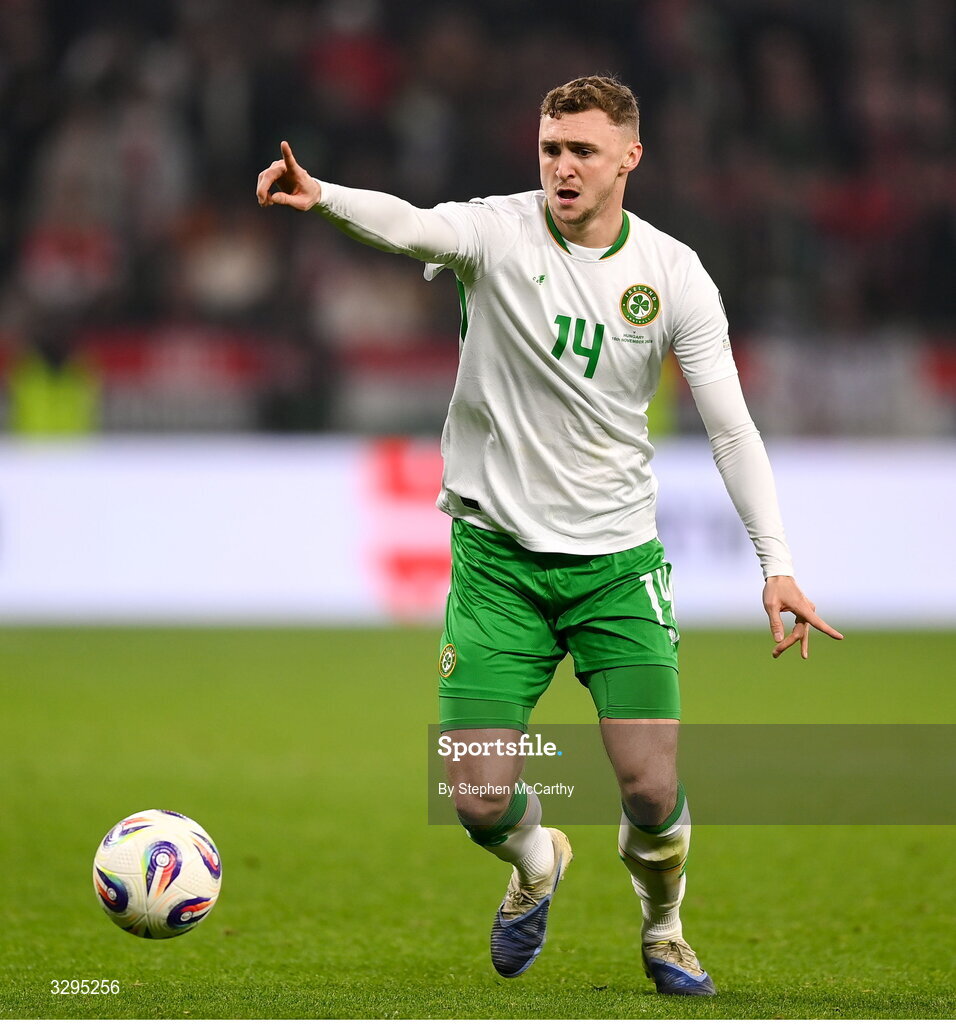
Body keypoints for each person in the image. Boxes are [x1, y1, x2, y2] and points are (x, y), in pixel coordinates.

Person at [257, 75, 843, 996]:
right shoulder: (496, 232)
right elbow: (410, 225)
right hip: (497, 565)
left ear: (629, 157)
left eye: (582, 152)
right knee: (476, 797)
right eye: (550, 149)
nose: (562, 168)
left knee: (650, 788)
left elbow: (731, 430)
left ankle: (665, 930)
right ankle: (539, 860)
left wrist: (778, 566)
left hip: (616, 567)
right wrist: (322, 195)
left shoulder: (674, 274)